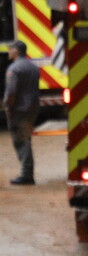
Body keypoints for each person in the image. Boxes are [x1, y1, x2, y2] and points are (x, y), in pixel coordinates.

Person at [4, 40, 40, 185]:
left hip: (18, 110)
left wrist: (8, 107)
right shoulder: (33, 67)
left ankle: (26, 175)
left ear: (17, 51)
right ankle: (28, 172)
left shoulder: (14, 69)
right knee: (26, 139)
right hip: (32, 108)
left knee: (21, 141)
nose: (8, 52)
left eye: (10, 49)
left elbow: (11, 92)